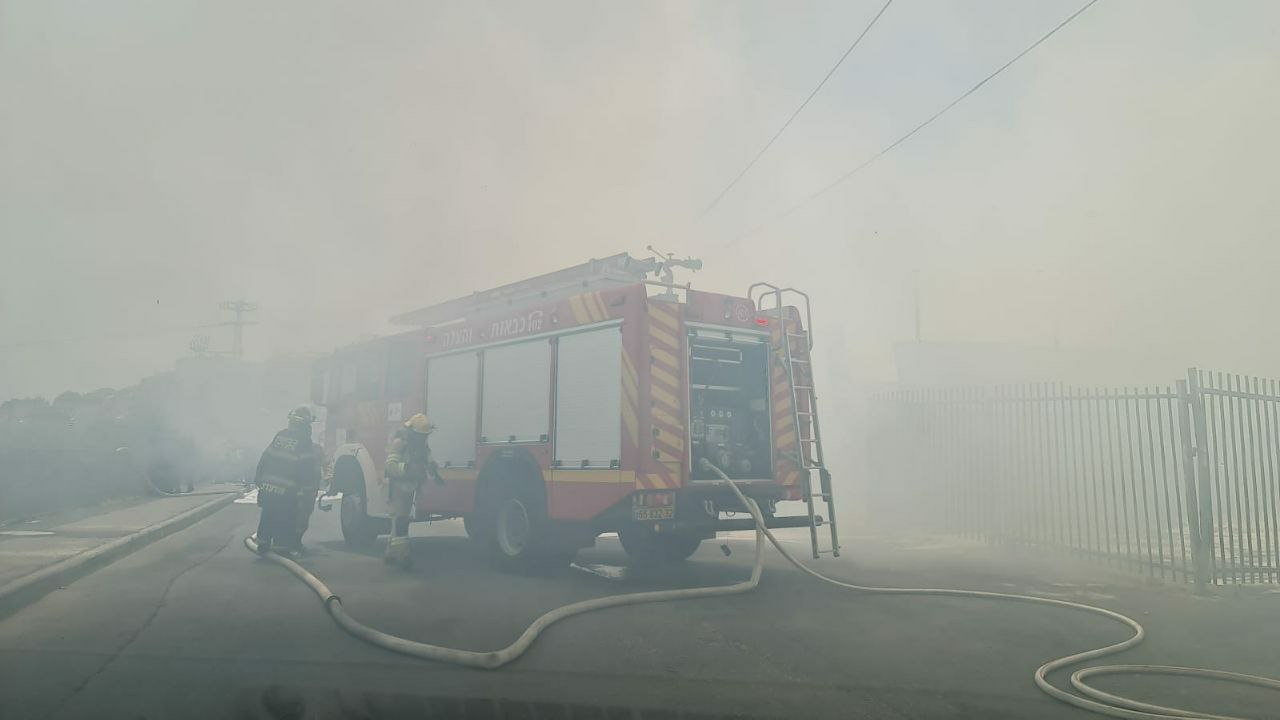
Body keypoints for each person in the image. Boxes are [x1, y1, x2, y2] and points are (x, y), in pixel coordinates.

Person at [253, 406, 323, 556]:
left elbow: (265, 457)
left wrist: (258, 479)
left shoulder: (280, 435)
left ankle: (263, 543)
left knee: (268, 514)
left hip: (268, 487)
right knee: (286, 516)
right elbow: (307, 468)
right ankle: (282, 546)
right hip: (286, 490)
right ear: (305, 425)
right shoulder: (304, 441)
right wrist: (308, 489)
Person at [383, 412, 442, 568]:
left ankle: (390, 553)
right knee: (401, 521)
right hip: (397, 488)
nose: (423, 439)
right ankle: (403, 557)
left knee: (398, 520)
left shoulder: (422, 447)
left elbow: (428, 460)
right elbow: (389, 467)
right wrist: (407, 469)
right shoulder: (400, 444)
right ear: (412, 433)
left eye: (425, 436)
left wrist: (434, 472)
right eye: (421, 436)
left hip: (410, 488)